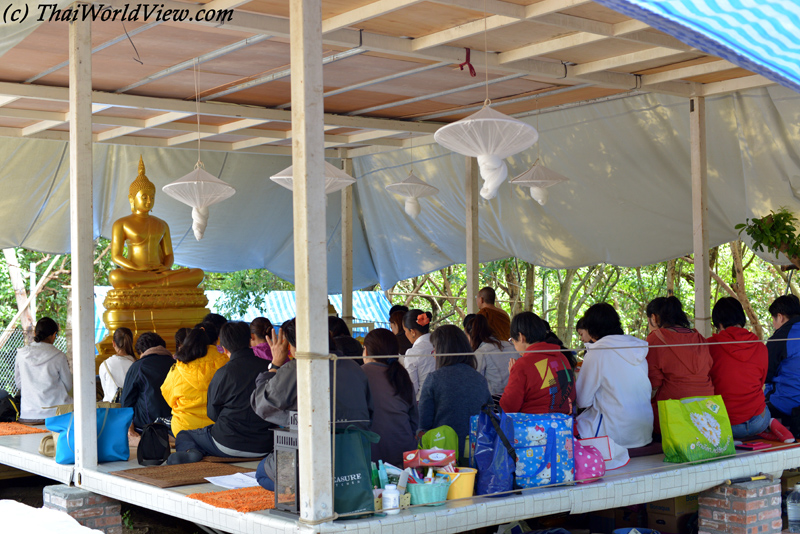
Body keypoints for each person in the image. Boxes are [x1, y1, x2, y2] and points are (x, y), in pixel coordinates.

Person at [251, 318, 373, 491]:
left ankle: (307, 491)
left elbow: (262, 404)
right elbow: (370, 413)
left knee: (262, 472)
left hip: (311, 458)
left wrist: (276, 363)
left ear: (292, 346)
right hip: (353, 458)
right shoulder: (354, 367)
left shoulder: (297, 368)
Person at [168, 322, 274, 464]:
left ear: (223, 348)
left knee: (185, 435)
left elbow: (212, 414)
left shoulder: (223, 373)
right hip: (265, 445)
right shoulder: (267, 368)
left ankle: (192, 451)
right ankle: (200, 450)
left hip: (227, 443)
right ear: (250, 339)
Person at [108, 156, 204, 289]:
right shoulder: (122, 223)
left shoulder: (161, 224)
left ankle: (153, 281)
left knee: (198, 273)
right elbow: (116, 256)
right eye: (144, 197)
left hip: (160, 272)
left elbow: (169, 254)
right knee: (116, 276)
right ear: (132, 199)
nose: (149, 201)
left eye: (152, 197)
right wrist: (138, 268)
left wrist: (164, 268)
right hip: (135, 272)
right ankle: (157, 282)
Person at [576, 303, 652, 468]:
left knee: (574, 426)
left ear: (592, 328)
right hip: (644, 432)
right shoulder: (638, 350)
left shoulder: (597, 353)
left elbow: (582, 400)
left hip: (616, 436)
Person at [708, 297, 793, 442]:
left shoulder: (709, 346)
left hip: (725, 425)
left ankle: (733, 439)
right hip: (758, 421)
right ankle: (768, 425)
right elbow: (761, 382)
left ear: (719, 324)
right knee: (762, 409)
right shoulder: (760, 345)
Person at [418, 325, 491, 462]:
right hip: (477, 455)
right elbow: (489, 416)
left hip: (443, 457)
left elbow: (423, 425)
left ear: (441, 351)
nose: (433, 354)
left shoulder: (434, 379)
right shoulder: (480, 380)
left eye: (435, 349)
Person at [646, 296, 714, 430]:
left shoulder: (656, 340)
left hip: (673, 414)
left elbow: (653, 383)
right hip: (706, 411)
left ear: (654, 318)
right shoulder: (699, 338)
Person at [361, 328, 418, 466]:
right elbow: (414, 421)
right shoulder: (402, 375)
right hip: (405, 454)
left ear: (366, 350)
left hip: (372, 455)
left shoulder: (360, 373)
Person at [500, 312, 574, 415]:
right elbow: (554, 391)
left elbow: (508, 407)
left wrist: (513, 375)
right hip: (564, 426)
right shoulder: (562, 358)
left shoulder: (523, 365)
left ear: (521, 337)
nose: (515, 347)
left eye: (513, 341)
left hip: (534, 427)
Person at [161, 326, 228, 437]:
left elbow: (169, 398)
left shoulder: (177, 368)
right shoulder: (225, 361)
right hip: (218, 428)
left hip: (184, 429)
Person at [14, 317, 72, 422]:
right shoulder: (59, 356)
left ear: (35, 333)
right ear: (54, 335)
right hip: (55, 413)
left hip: (28, 414)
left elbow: (19, 384)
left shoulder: (21, 354)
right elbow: (68, 385)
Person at [121, 332, 174, 435]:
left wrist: (129, 429)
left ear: (141, 351)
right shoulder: (176, 364)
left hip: (146, 427)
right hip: (174, 425)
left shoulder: (138, 366)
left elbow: (126, 401)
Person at [764, 295, 800, 431]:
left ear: (780, 317)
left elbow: (765, 374)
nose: (774, 324)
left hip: (787, 404)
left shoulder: (781, 337)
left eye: (773, 319)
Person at [463, 314, 519, 398]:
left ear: (471, 336)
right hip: (517, 397)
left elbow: (474, 384)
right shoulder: (512, 346)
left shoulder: (480, 353)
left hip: (494, 403)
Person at [402, 309, 435, 400]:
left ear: (412, 332)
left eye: (405, 331)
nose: (405, 334)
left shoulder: (413, 353)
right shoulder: (440, 345)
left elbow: (412, 389)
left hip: (423, 402)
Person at [99, 327, 136, 402]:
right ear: (131, 343)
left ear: (113, 343)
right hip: (130, 410)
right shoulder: (136, 365)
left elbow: (105, 390)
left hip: (110, 410)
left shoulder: (105, 365)